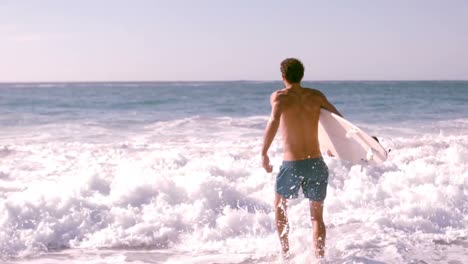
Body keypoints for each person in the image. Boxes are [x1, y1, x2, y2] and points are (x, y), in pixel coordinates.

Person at [261, 58, 342, 259]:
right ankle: (319, 259)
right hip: (316, 163)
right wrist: (334, 146)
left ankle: (286, 254)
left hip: (292, 165)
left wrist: (264, 153)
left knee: (280, 207)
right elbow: (338, 121)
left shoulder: (279, 97)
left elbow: (273, 123)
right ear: (302, 75)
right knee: (317, 218)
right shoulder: (316, 96)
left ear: (283, 76)